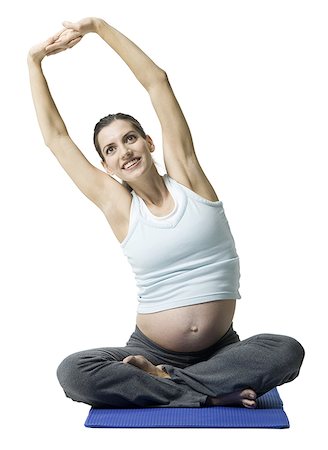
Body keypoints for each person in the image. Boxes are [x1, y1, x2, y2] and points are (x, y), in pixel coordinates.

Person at [28, 17, 304, 409]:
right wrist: (34, 60)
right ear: (106, 166)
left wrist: (97, 27)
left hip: (222, 352)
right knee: (74, 371)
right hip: (150, 350)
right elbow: (56, 138)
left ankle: (169, 386)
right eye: (110, 149)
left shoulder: (188, 177)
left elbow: (157, 81)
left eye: (129, 138)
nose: (123, 151)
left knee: (286, 350)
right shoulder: (120, 207)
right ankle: (204, 393)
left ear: (149, 142)